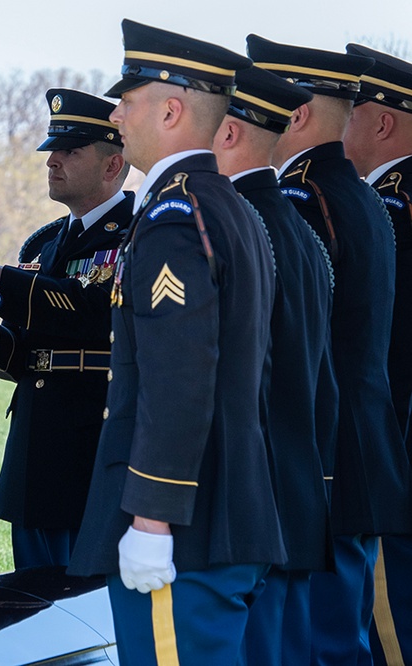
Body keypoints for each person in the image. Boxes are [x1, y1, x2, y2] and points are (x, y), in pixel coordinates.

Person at [66, 20, 285, 665]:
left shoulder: (174, 217)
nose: (114, 113)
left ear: (170, 109)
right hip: (222, 510)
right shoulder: (229, 207)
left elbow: (180, 376)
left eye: (127, 100)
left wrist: (151, 518)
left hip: (182, 533)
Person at [247, 34, 412, 665]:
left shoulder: (300, 200)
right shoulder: (361, 194)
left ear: (295, 113)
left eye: (265, 98)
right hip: (360, 447)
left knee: (321, 645)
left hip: (323, 454)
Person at [0, 88, 133, 569]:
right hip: (37, 445)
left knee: (90, 603)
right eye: (52, 151)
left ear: (113, 166)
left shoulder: (138, 233)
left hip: (94, 441)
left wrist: (3, 278)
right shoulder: (45, 242)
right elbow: (24, 355)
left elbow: (93, 310)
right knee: (32, 599)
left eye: (72, 151)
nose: (53, 162)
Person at [211, 65, 336, 666]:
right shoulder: (298, 225)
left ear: (230, 132)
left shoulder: (241, 223)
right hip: (297, 487)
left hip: (253, 501)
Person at [341, 42, 412, 666]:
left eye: (351, 110)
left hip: (395, 441)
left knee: (391, 631)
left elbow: (387, 346)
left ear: (383, 122)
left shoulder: (390, 205)